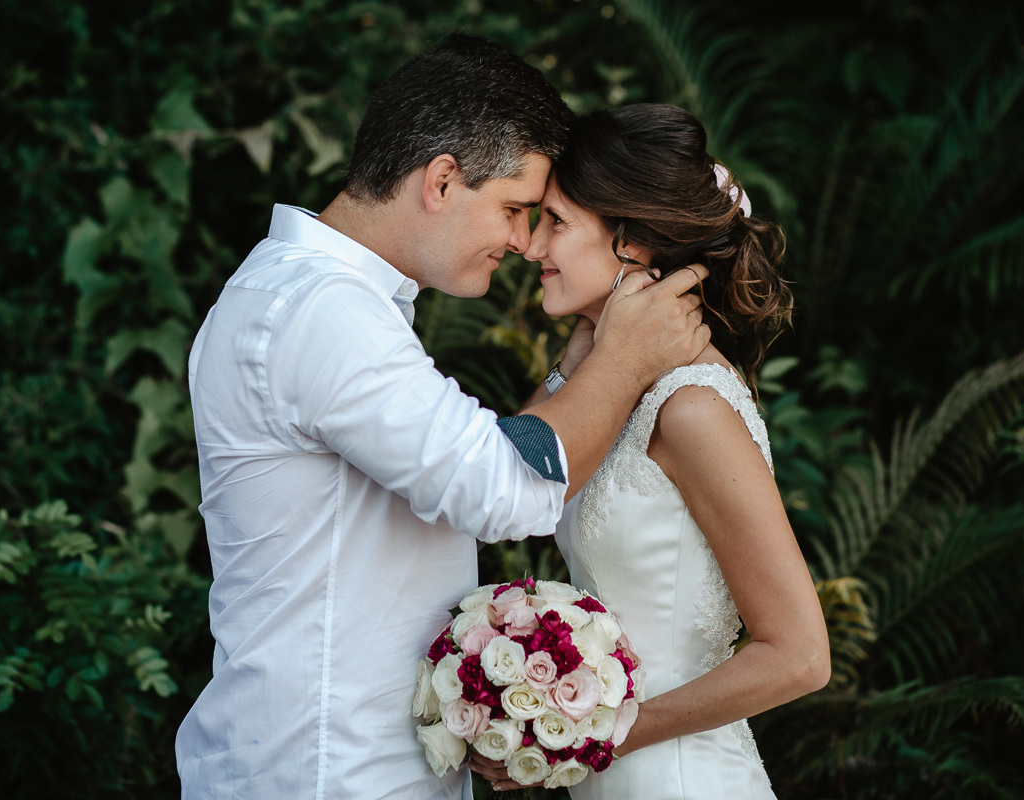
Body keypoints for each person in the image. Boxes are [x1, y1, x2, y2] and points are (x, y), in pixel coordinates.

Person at [175, 38, 710, 800]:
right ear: (442, 180)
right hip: (323, 774)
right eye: (515, 210)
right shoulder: (319, 312)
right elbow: (503, 491)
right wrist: (622, 362)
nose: (525, 244)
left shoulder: (314, 301)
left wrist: (588, 357)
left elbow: (489, 456)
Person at [474, 104, 831, 797]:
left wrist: (597, 733)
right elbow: (504, 479)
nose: (531, 246)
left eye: (556, 222)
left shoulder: (691, 408)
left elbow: (801, 656)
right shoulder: (621, 392)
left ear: (632, 245)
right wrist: (584, 358)